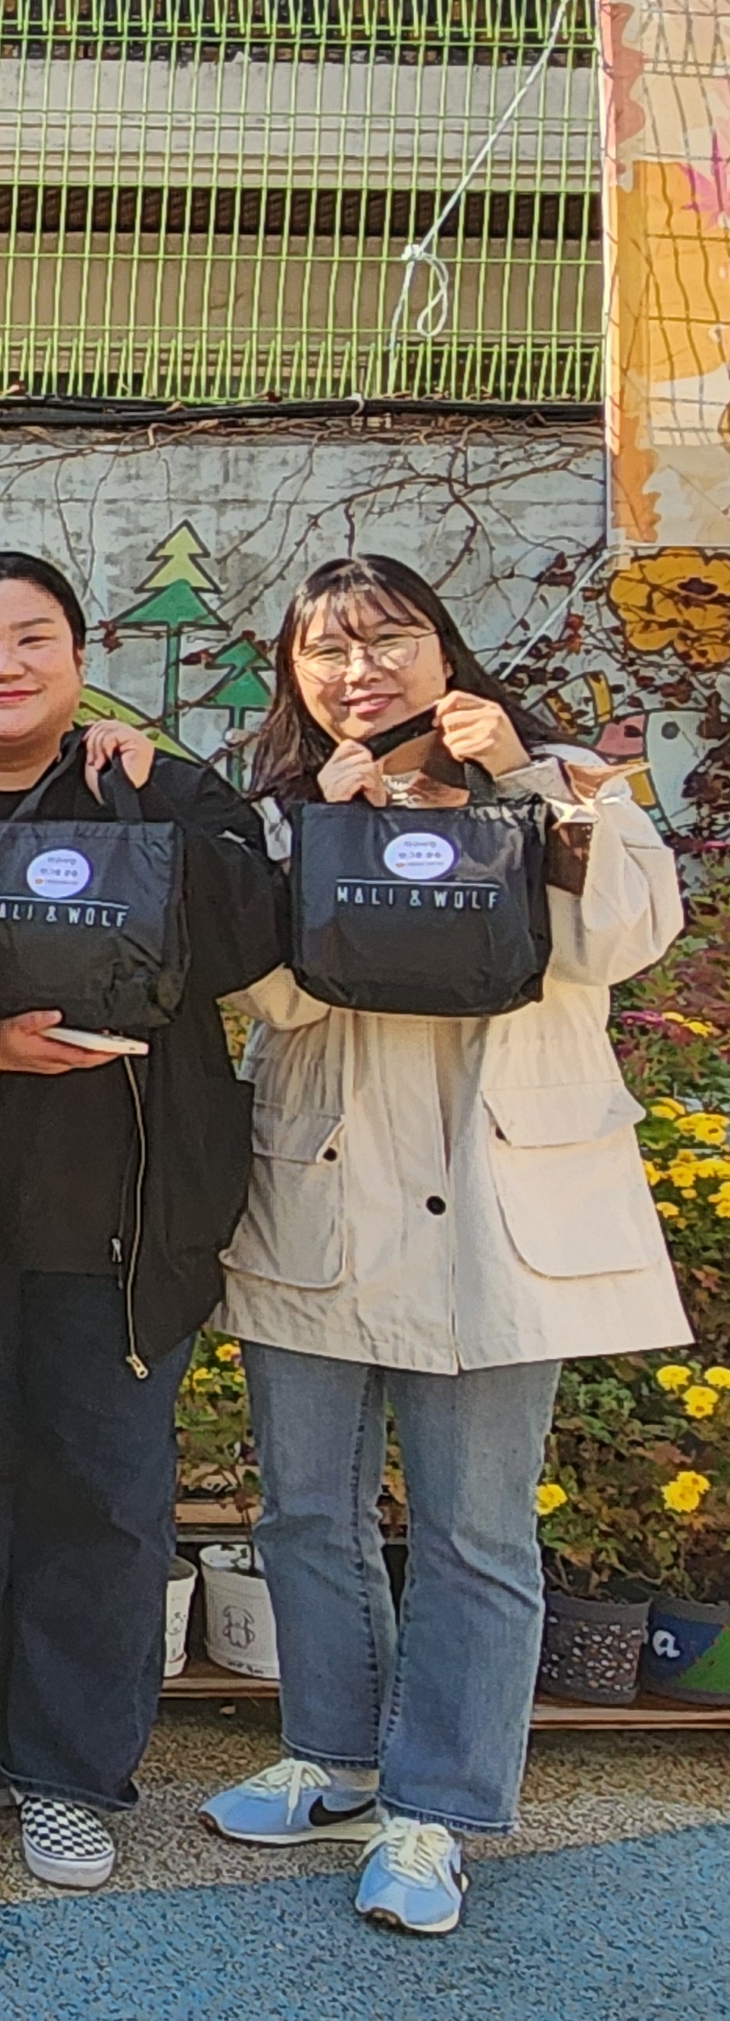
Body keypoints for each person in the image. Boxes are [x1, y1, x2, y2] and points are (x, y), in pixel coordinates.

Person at [200, 552, 683, 1935]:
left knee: (474, 1531)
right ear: (296, 679)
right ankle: (335, 1756)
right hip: (327, 1199)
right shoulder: (283, 816)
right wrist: (316, 840)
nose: (361, 671)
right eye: (327, 652)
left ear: (444, 649)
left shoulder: (562, 780)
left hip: (497, 1210)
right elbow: (272, 997)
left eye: (388, 639)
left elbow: (627, 944)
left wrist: (539, 781)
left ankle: (441, 1809)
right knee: (306, 1509)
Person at [0, 552, 286, 1891]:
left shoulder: (158, 790)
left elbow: (250, 937)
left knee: (103, 1500)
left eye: (30, 638)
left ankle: (71, 1769)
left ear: (78, 653)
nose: (2, 665)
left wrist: (157, 798)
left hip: (124, 1216)